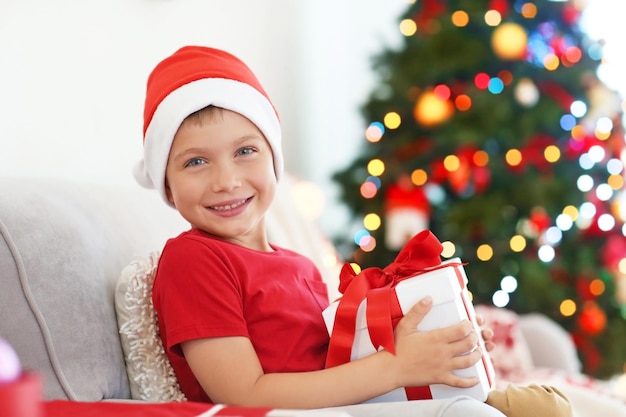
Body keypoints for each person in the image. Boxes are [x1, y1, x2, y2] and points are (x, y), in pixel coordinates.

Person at [133, 45, 572, 417]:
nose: (225, 180)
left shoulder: (299, 265)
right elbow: (242, 396)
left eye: (245, 151)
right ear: (167, 184)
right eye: (195, 161)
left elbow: (336, 367)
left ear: (274, 162)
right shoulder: (194, 260)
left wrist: (434, 344)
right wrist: (396, 366)